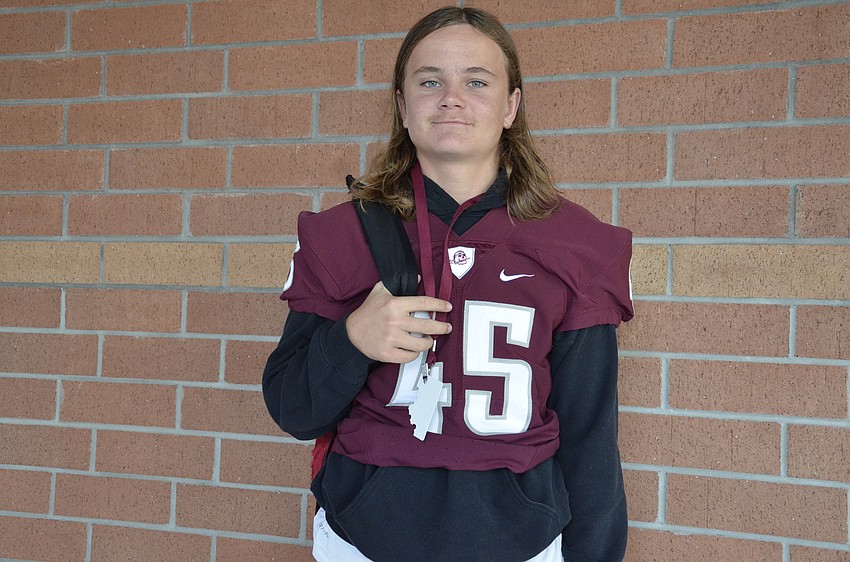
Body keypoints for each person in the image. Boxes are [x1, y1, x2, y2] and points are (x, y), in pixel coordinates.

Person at [263, 6, 633, 561]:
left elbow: (590, 433)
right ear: (402, 106)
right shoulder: (342, 234)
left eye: (476, 82)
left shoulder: (574, 244)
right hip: (364, 540)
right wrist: (352, 340)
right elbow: (293, 409)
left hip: (521, 542)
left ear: (510, 106)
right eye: (430, 81)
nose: (451, 98)